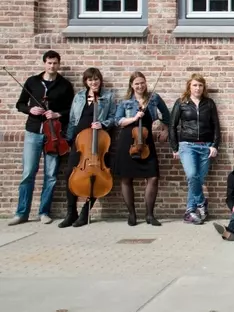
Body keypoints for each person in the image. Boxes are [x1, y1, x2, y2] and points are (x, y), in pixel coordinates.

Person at [8, 51, 74, 226]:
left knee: (51, 175)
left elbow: (71, 110)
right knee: (28, 173)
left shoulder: (65, 85)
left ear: (59, 64)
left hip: (54, 135)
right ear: (44, 64)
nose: (52, 66)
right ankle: (21, 213)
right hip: (33, 131)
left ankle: (44, 212)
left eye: (55, 63)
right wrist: (30, 110)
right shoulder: (32, 82)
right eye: (49, 63)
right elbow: (20, 104)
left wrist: (57, 113)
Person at [59, 68, 116, 228]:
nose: (94, 82)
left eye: (96, 79)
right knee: (70, 174)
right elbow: (72, 120)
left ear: (100, 80)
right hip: (79, 142)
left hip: (98, 142)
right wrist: (69, 140)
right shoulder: (78, 97)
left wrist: (102, 124)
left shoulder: (108, 97)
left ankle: (85, 212)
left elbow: (113, 118)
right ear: (86, 81)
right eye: (90, 80)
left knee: (96, 176)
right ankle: (71, 213)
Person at [113, 71, 171, 226]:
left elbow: (167, 115)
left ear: (146, 83)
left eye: (142, 82)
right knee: (126, 178)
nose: (140, 86)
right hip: (128, 141)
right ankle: (132, 214)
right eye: (136, 83)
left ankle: (150, 215)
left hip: (146, 140)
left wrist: (165, 129)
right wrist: (133, 118)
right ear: (131, 85)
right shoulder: (125, 101)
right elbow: (117, 121)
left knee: (153, 176)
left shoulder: (154, 98)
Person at [169, 73, 221, 225]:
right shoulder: (181, 103)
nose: (197, 88)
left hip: (205, 146)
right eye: (194, 85)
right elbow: (172, 126)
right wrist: (174, 147)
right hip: (186, 145)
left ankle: (190, 212)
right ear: (189, 87)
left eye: (200, 85)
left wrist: (214, 145)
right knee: (192, 175)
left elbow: (216, 126)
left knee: (197, 179)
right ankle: (201, 203)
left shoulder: (209, 103)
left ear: (203, 87)